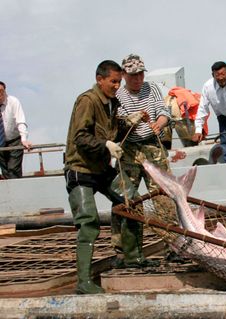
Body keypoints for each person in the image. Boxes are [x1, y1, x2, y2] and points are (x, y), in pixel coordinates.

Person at [65, 60, 130, 294]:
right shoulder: (87, 101)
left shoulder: (113, 104)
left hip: (101, 169)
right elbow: (80, 137)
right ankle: (83, 282)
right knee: (88, 223)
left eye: (119, 82)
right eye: (113, 81)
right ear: (99, 79)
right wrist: (106, 145)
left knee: (130, 200)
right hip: (80, 169)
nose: (116, 86)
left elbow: (113, 130)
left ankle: (131, 257)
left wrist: (126, 124)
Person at [113, 54, 171, 268]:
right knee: (127, 200)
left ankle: (173, 246)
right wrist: (131, 120)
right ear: (124, 75)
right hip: (130, 150)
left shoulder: (152, 88)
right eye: (133, 75)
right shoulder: (118, 94)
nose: (138, 79)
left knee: (164, 197)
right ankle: (123, 252)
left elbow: (163, 111)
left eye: (140, 74)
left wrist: (160, 122)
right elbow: (118, 123)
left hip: (152, 147)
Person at [0, 81, 32, 179]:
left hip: (15, 141)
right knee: (5, 171)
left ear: (5, 91)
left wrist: (24, 139)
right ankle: (9, 193)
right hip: (0, 143)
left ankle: (17, 191)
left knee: (13, 170)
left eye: (1, 91)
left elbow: (20, 121)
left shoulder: (13, 102)